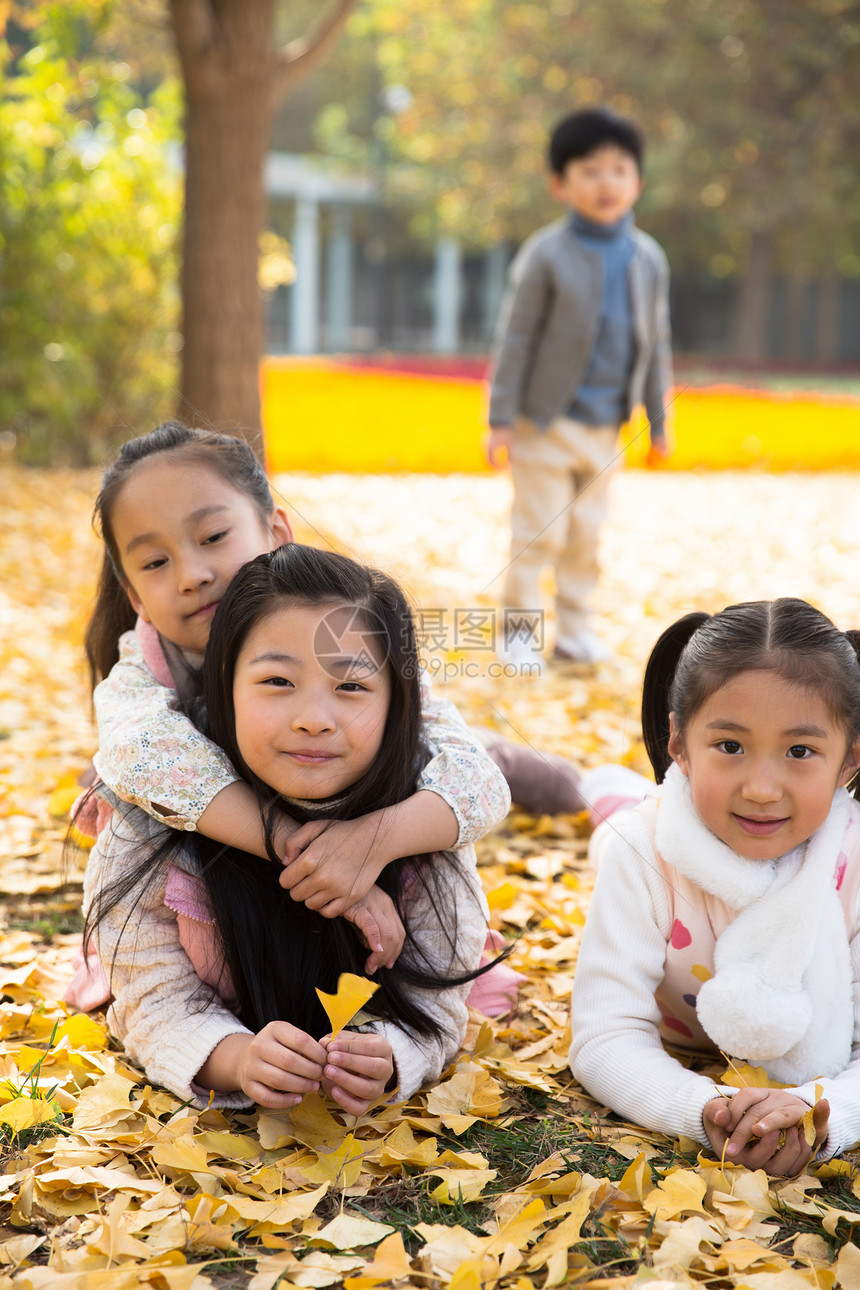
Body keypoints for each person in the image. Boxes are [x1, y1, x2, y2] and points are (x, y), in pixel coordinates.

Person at [71, 421, 512, 994]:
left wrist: (366, 845)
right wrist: (295, 846)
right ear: (134, 597)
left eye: (212, 537)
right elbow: (142, 754)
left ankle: (587, 786)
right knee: (119, 777)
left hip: (350, 789)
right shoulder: (146, 671)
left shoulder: (342, 627)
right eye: (154, 563)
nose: (193, 575)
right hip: (230, 901)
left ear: (277, 531)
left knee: (469, 760)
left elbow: (479, 781)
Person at [83, 544, 494, 1112]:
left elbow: (438, 1006)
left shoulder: (429, 832)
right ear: (222, 688)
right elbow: (153, 1002)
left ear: (398, 706)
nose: (314, 719)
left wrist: (392, 1054)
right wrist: (234, 1058)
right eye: (277, 681)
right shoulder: (151, 825)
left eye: (351, 687)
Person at [570, 599, 860, 1176]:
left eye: (800, 751)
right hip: (645, 837)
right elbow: (604, 1035)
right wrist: (703, 1109)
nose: (760, 788)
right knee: (614, 829)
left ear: (849, 760)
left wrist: (819, 1110)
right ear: (678, 743)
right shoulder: (641, 852)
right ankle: (596, 787)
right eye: (730, 746)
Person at [486, 107, 672, 668]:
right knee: (538, 534)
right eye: (590, 170)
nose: (606, 182)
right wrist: (499, 418)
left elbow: (657, 343)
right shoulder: (546, 254)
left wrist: (658, 422)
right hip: (544, 422)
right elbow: (514, 339)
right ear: (560, 185)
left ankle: (574, 633)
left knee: (586, 538)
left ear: (637, 182)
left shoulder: (648, 258)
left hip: (607, 428)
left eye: (619, 169)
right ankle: (517, 637)